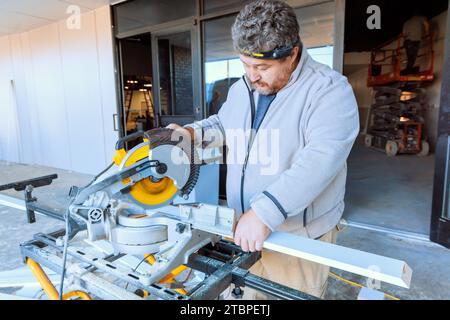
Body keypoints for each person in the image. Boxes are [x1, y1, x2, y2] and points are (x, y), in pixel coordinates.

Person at [167, 0, 359, 299]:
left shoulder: (329, 90)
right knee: (247, 299)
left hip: (297, 236)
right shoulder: (242, 87)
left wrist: (264, 212)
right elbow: (225, 123)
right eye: (245, 64)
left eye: (262, 67)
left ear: (293, 54)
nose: (252, 75)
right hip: (244, 228)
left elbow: (321, 160)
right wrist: (193, 133)